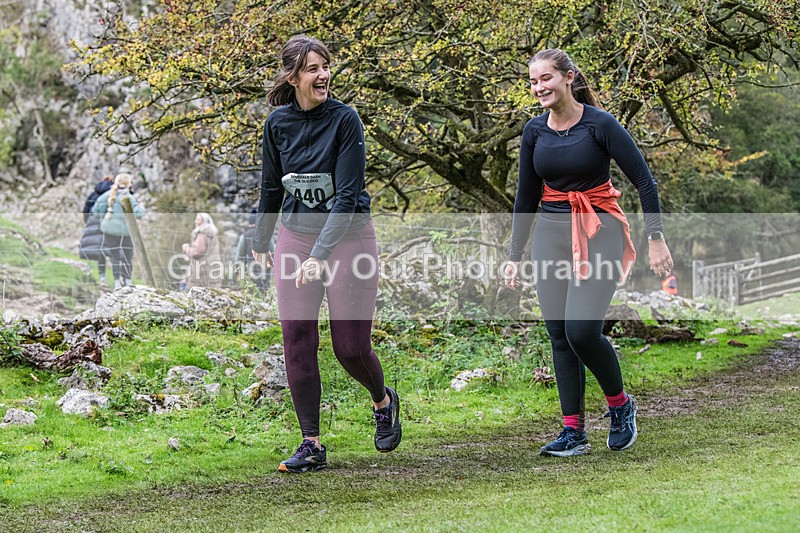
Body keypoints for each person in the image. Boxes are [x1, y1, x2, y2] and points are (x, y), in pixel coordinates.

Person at [504, 48, 674, 456]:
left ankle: (620, 406)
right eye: (533, 81)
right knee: (559, 334)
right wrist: (514, 255)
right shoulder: (534, 131)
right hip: (550, 232)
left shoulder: (600, 125)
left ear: (567, 77)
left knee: (582, 331)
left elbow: (644, 182)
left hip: (599, 230)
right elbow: (526, 195)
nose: (539, 87)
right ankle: (573, 432)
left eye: (546, 78)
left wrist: (656, 237)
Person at [251, 35, 401, 473]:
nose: (324, 75)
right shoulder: (277, 123)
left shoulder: (346, 120)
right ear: (293, 76)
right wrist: (261, 239)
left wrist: (320, 254)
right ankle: (311, 444)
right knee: (297, 338)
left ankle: (382, 400)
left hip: (349, 237)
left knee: (349, 347)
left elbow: (348, 195)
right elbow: (271, 185)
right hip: (295, 237)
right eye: (313, 68)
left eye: (326, 66)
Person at [92, 173, 145, 290]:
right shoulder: (129, 198)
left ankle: (117, 283)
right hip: (126, 231)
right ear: (128, 184)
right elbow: (139, 214)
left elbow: (96, 210)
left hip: (109, 230)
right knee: (127, 256)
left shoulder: (108, 195)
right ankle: (127, 281)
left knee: (114, 256)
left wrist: (104, 218)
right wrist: (142, 207)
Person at [80, 174, 114, 286]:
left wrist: (88, 222)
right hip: (108, 223)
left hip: (93, 223)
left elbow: (85, 210)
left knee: (100, 253)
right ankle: (119, 280)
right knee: (114, 250)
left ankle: (102, 279)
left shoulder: (93, 194)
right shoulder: (112, 194)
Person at [182, 212, 223, 289]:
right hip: (211, 266)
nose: (196, 222)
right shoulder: (212, 233)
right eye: (196, 219)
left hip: (201, 269)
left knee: (197, 293)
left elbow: (198, 252)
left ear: (204, 221)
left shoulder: (202, 234)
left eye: (199, 220)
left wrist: (186, 248)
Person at [236, 209, 272, 291]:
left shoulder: (244, 236)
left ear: (249, 223)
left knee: (250, 288)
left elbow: (239, 255)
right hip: (265, 267)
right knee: (265, 288)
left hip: (249, 267)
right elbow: (272, 251)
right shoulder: (267, 236)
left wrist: (237, 267)